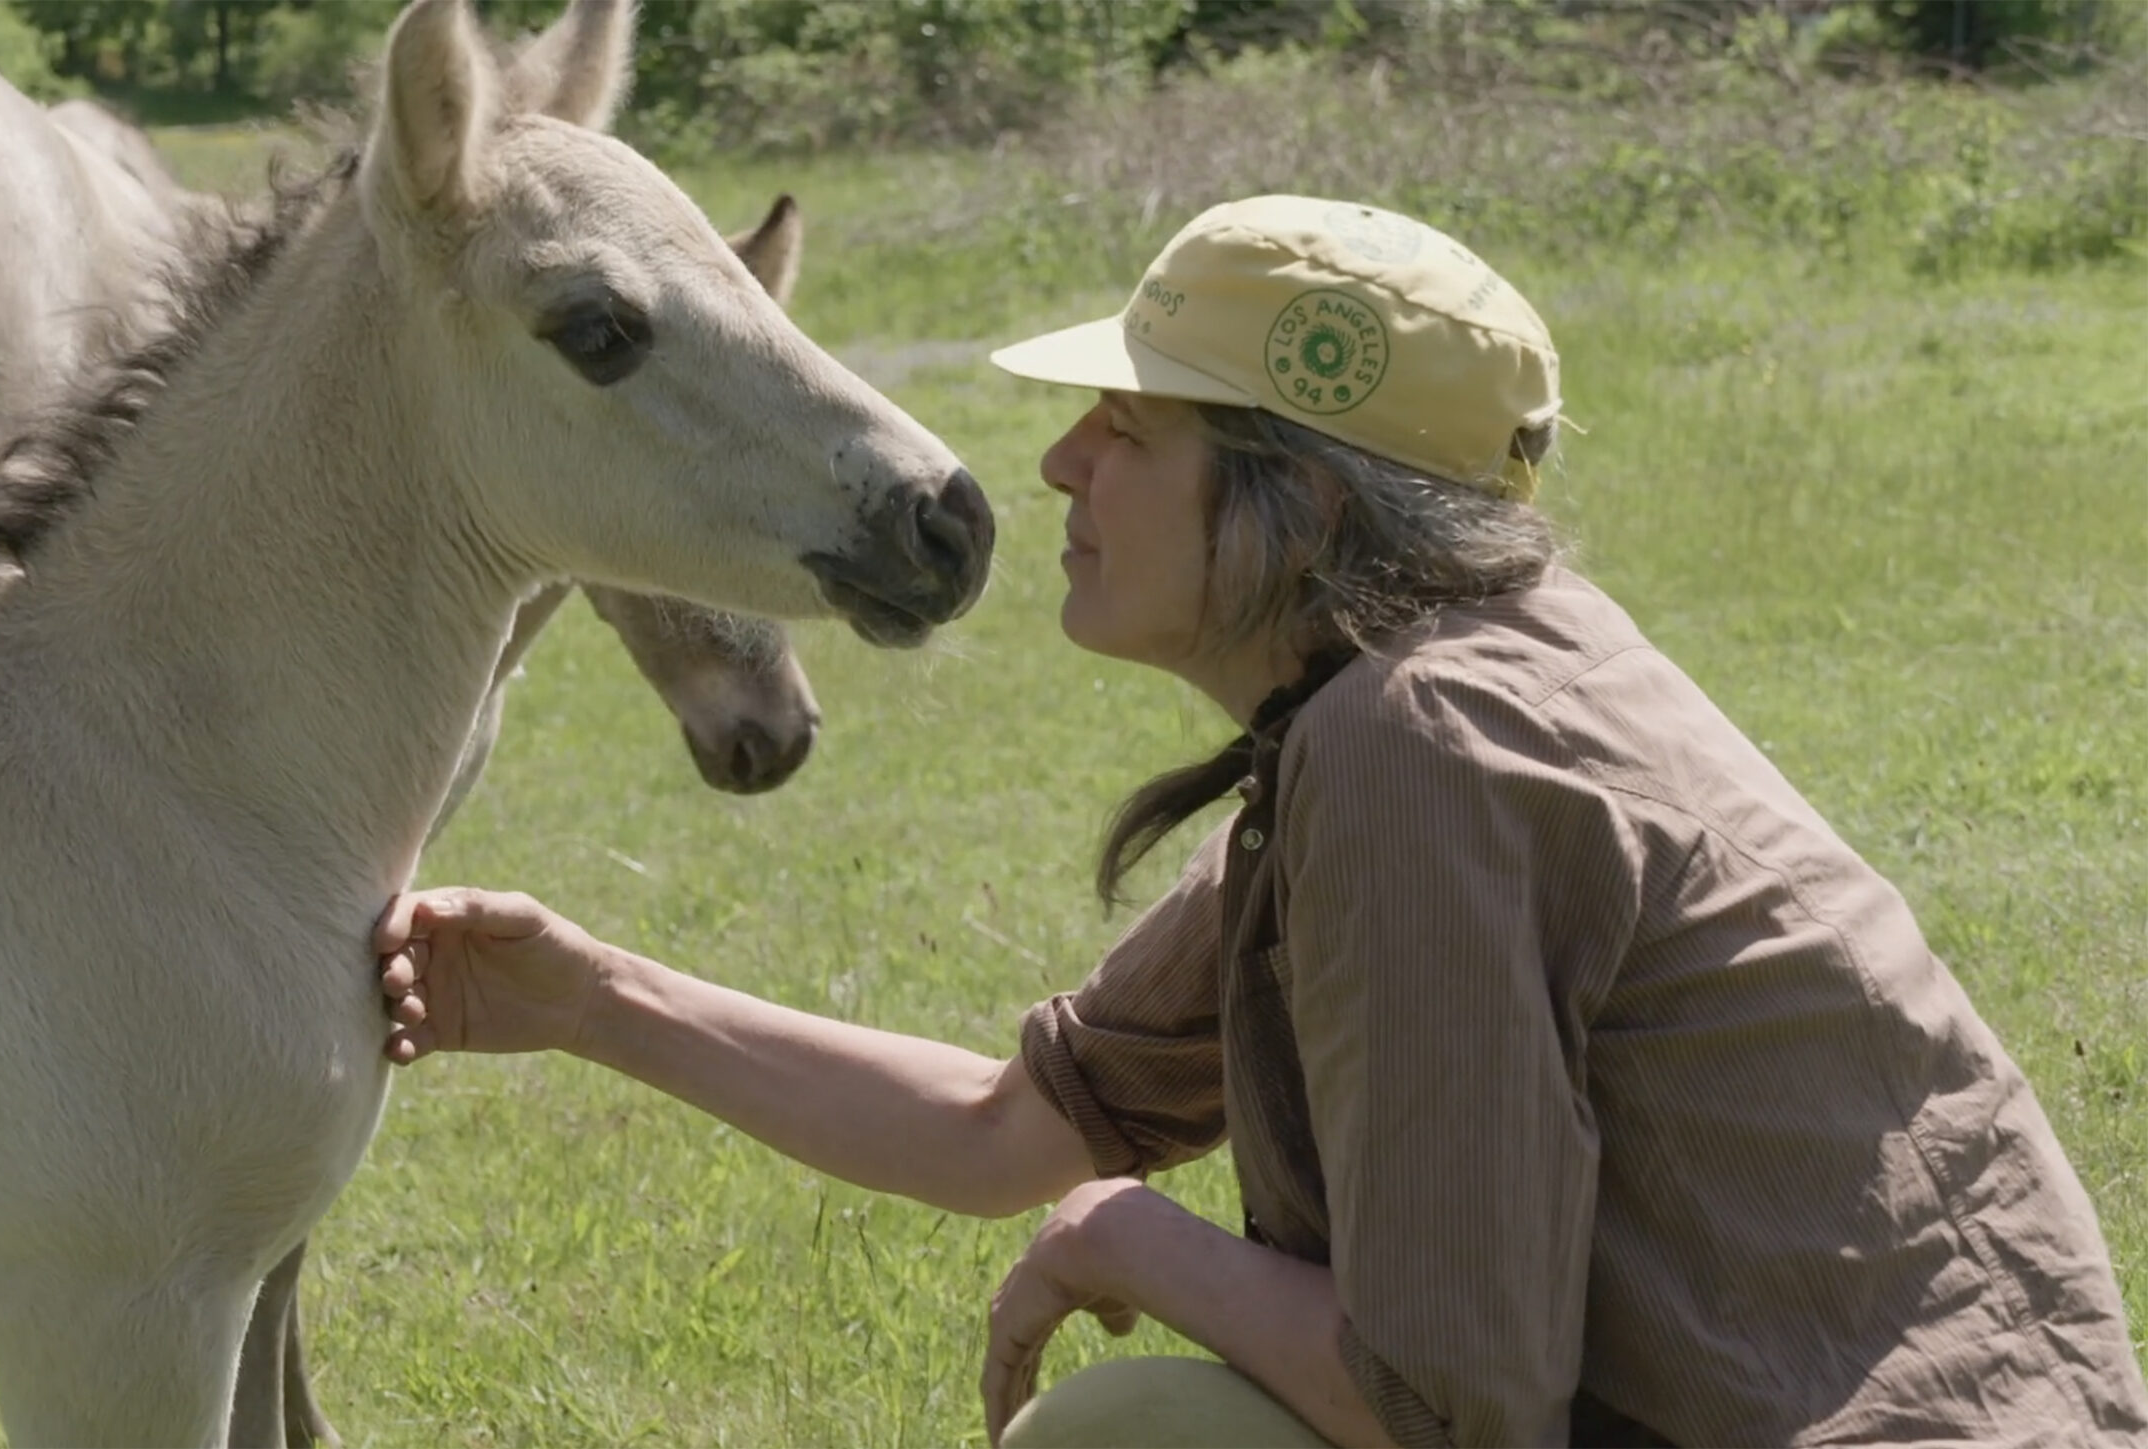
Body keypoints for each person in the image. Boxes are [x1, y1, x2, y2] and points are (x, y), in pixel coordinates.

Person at [371, 196, 2148, 1447]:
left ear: (1302, 502)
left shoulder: (1424, 745)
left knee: (1135, 1431)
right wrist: (586, 997)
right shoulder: (1426, 704)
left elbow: (1445, 1409)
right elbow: (1019, 1125)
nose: (1062, 465)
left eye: (1129, 424)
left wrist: (1126, 1236)